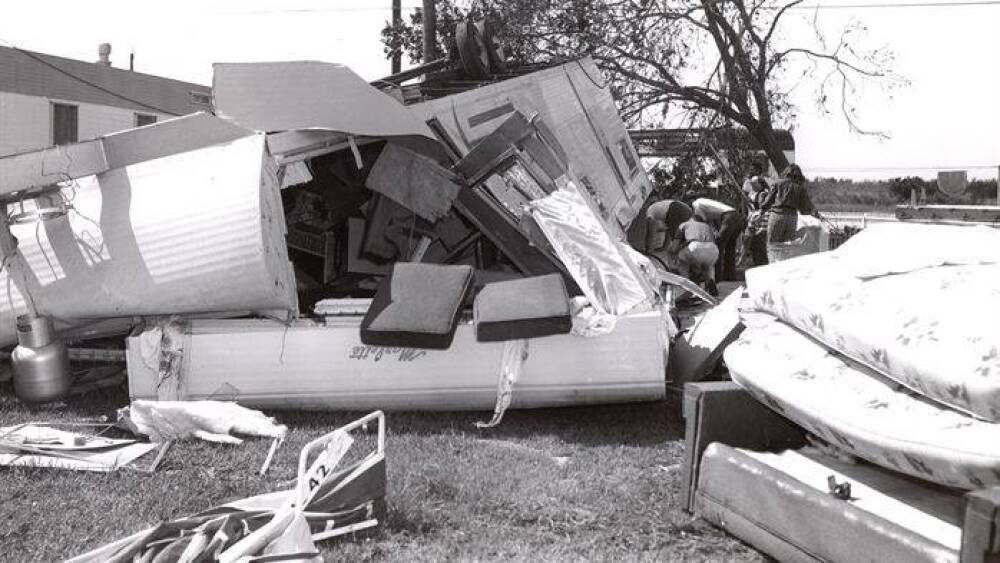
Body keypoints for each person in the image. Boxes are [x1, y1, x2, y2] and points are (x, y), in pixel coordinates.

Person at [759, 163, 821, 244]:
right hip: (792, 218)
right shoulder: (800, 188)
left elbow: (768, 201)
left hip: (778, 215)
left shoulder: (777, 183)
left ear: (786, 172)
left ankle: (773, 257)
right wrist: (815, 213)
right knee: (787, 245)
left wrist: (762, 206)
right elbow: (805, 207)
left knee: (772, 244)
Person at [692, 197, 745, 282]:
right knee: (730, 248)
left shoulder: (696, 204)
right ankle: (730, 276)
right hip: (737, 217)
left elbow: (702, 223)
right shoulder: (709, 204)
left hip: (729, 218)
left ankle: (717, 277)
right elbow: (717, 223)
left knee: (717, 248)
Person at [672, 213, 720, 296]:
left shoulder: (684, 225)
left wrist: (673, 253)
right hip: (713, 249)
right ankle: (710, 279)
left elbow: (674, 248)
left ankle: (687, 286)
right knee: (708, 266)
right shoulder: (707, 226)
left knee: (681, 260)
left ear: (691, 219)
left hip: (695, 246)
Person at [643, 199, 692, 269]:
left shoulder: (650, 214)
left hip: (676, 209)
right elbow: (667, 229)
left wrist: (648, 251)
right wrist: (664, 247)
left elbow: (650, 234)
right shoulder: (660, 210)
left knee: (676, 236)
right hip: (683, 208)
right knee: (674, 231)